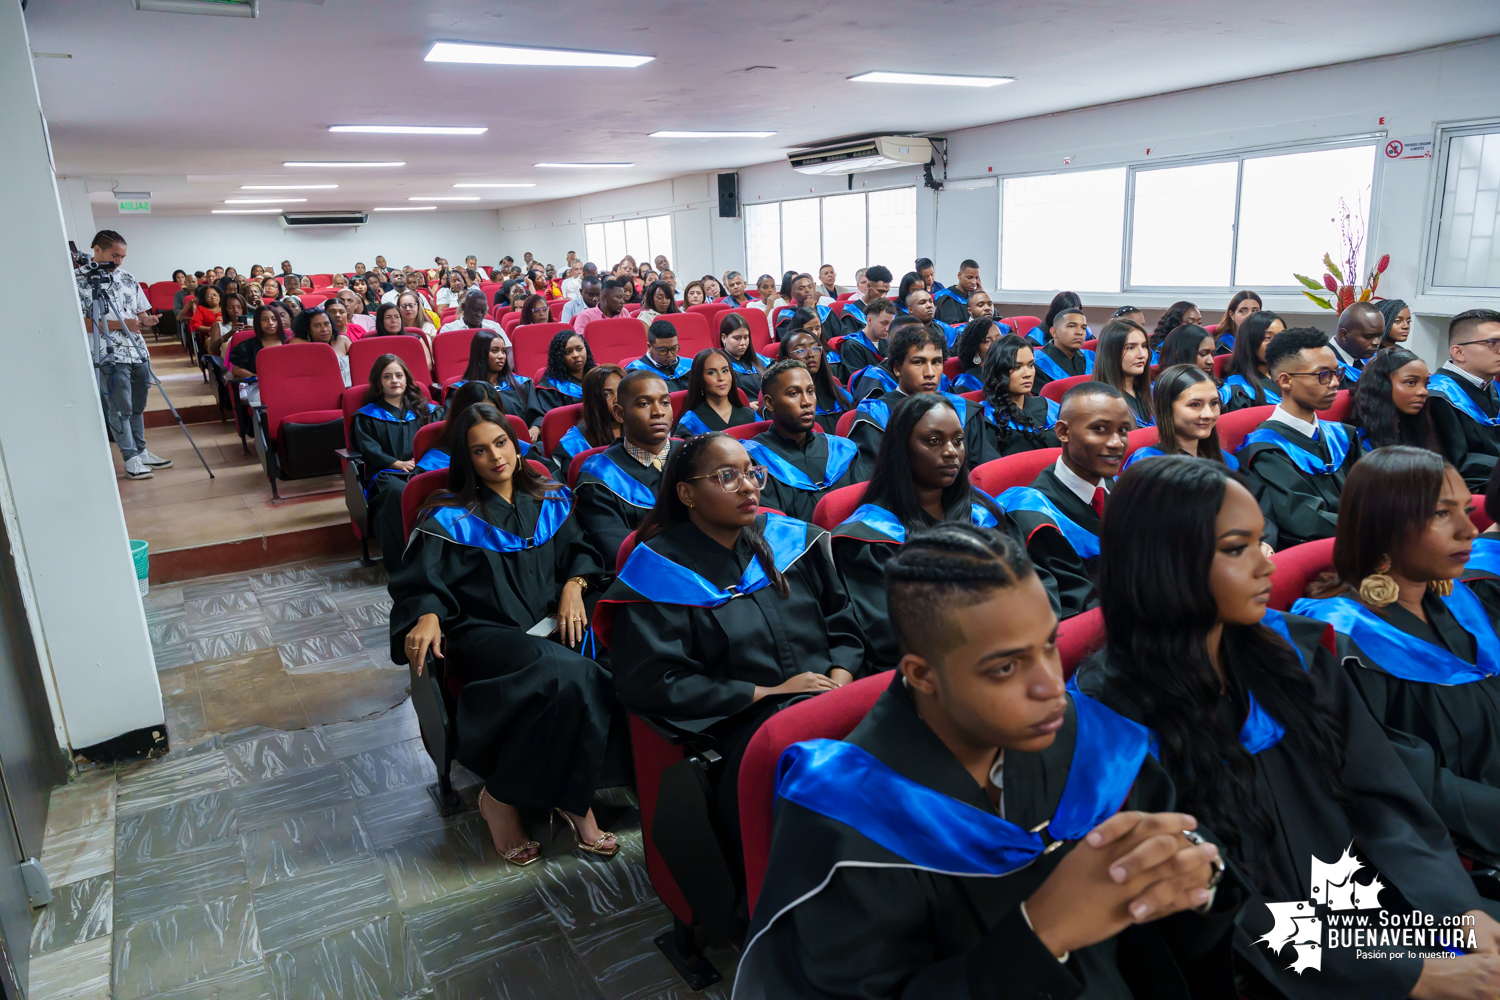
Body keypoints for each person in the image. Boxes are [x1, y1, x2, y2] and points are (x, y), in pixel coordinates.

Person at [739, 522, 1226, 1000]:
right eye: (1006, 667)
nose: (1052, 688)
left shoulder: (1090, 745)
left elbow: (1173, 937)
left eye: (1050, 646)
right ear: (922, 675)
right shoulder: (846, 819)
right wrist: (1040, 935)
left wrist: (1196, 873)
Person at [1074, 456, 1500, 1000]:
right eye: (1236, 549)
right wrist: (1409, 973)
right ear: (1164, 562)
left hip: (1365, 916)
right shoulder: (1110, 726)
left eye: (1260, 543)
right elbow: (1224, 915)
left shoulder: (1290, 656)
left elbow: (1380, 799)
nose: (1265, 566)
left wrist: (1451, 914)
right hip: (1264, 969)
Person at [599, 432, 866, 894]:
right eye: (728, 477)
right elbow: (653, 681)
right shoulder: (657, 574)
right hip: (742, 727)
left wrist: (840, 684)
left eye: (751, 472)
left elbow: (842, 620)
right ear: (686, 494)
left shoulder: (788, 543)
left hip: (832, 699)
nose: (748, 487)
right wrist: (768, 693)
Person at [391, 403, 620, 867]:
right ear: (466, 459)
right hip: (485, 634)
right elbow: (421, 582)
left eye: (501, 443)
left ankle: (539, 794)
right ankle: (542, 802)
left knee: (585, 671)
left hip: (548, 623)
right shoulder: (448, 517)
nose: (495, 457)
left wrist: (574, 586)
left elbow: (580, 552)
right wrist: (429, 614)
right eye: (480, 450)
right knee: (570, 673)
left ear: (515, 446)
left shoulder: (552, 499)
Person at [1294, 446, 1500, 868]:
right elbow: (1391, 777)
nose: (1470, 531)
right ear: (1384, 528)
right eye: (1443, 514)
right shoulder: (1344, 639)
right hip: (1448, 844)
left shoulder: (1457, 599)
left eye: (1465, 509)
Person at [832, 392, 1056, 664]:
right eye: (934, 441)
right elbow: (893, 634)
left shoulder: (983, 513)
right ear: (901, 449)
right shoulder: (870, 538)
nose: (952, 451)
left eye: (958, 440)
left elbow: (1035, 580)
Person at [1002, 382, 1131, 620]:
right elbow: (1077, 604)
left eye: (1123, 430)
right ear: (1062, 432)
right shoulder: (1036, 517)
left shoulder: (1122, 489)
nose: (1117, 442)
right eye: (1100, 429)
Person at [1238, 327, 1362, 548]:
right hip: (1323, 554)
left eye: (1337, 372)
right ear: (1285, 381)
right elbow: (1306, 518)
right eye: (1323, 374)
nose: (1334, 382)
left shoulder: (1343, 435)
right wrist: (1380, 526)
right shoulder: (1266, 450)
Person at [847, 322, 984, 481]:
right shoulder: (877, 416)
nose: (930, 373)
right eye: (918, 362)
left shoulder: (961, 409)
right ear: (897, 368)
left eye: (936, 362)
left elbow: (984, 472)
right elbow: (872, 481)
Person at [574, 370, 679, 566]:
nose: (659, 412)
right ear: (620, 413)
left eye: (665, 402)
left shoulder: (692, 457)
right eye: (644, 404)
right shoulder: (599, 477)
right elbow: (618, 551)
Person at [351, 354, 440, 571]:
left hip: (423, 469)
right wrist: (395, 463)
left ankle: (441, 556)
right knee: (396, 490)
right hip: (387, 473)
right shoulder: (367, 416)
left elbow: (439, 440)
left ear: (407, 379)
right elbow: (368, 448)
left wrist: (421, 465)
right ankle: (405, 562)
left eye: (399, 375)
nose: (394, 380)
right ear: (379, 382)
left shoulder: (427, 411)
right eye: (387, 376)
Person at [741, 361, 859, 520]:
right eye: (793, 393)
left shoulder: (842, 450)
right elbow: (773, 526)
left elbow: (868, 506)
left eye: (810, 391)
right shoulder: (754, 461)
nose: (807, 402)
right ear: (769, 403)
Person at [1428, 309, 1500, 490]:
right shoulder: (1437, 398)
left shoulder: (1493, 389)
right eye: (1493, 343)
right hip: (1466, 493)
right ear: (1458, 352)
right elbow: (1454, 463)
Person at [1123, 365, 1238, 471]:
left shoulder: (1224, 459)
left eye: (1213, 403)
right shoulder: (1150, 465)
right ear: (1166, 408)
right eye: (1195, 405)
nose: (1208, 414)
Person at [974, 333, 1059, 462]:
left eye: (1030, 365)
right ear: (998, 371)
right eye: (1017, 367)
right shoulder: (985, 420)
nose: (1027, 374)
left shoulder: (1049, 408)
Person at [1350, 346, 1440, 455]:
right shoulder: (1357, 442)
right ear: (1382, 385)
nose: (1424, 392)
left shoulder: (1416, 429)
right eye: (1411, 382)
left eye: (1426, 384)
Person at [552, 364, 625, 473]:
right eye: (607, 394)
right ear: (593, 400)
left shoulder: (638, 428)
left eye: (621, 391)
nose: (617, 400)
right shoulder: (576, 444)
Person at [777, 330, 852, 434]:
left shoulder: (841, 397)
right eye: (800, 351)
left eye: (815, 348)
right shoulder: (781, 403)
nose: (810, 354)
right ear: (786, 359)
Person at [673, 349, 756, 437]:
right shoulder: (691, 422)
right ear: (700, 379)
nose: (721, 378)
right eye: (712, 373)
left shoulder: (750, 415)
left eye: (725, 371)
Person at [526, 330, 597, 428]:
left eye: (579, 349)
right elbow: (553, 425)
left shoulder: (598, 376)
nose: (576, 355)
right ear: (559, 357)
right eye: (568, 352)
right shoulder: (550, 389)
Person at [1219, 310, 1286, 411]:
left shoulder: (1289, 377)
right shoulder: (1239, 390)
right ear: (1249, 342)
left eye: (1281, 337)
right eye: (1268, 337)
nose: (1278, 343)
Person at [1092, 318, 1154, 427]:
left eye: (1144, 346)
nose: (1142, 354)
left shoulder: (1154, 393)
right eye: (1131, 347)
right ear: (1111, 353)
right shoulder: (1099, 404)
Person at [1030, 307, 1094, 393]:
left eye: (1083, 328)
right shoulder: (1037, 363)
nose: (1080, 332)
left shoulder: (1091, 358)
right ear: (1054, 332)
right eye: (1072, 326)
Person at [290, 306, 353, 386]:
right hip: (318, 388)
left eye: (327, 324)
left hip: (351, 388)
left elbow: (360, 366)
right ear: (307, 329)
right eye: (317, 326)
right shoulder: (298, 343)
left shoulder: (343, 340)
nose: (324, 329)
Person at [836, 297, 895, 380]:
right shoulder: (852, 346)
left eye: (891, 323)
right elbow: (858, 381)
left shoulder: (888, 342)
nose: (888, 329)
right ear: (869, 320)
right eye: (884, 323)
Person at [1330, 300, 1385, 389]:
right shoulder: (1321, 365)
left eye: (1379, 335)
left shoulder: (1378, 360)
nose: (1377, 342)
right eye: (1368, 336)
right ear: (1343, 334)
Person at [626, 320, 692, 391]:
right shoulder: (636, 374)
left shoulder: (690, 366)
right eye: (663, 350)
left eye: (674, 348)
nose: (669, 355)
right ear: (649, 346)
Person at [719, 312, 771, 398]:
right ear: (724, 338)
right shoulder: (719, 363)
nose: (743, 343)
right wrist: (746, 405)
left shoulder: (758, 359)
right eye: (737, 338)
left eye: (746, 337)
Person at [229, 304, 286, 379]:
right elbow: (235, 370)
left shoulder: (290, 342)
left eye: (274, 319)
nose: (270, 323)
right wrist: (257, 378)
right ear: (257, 323)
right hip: (258, 386)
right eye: (264, 319)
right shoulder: (248, 345)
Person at [949, 316, 1005, 393]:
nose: (996, 344)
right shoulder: (966, 384)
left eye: (999, 339)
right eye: (987, 341)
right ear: (975, 349)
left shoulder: (1007, 371)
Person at [835, 264, 892, 334]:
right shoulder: (851, 313)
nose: (883, 296)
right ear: (868, 286)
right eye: (880, 291)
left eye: (886, 292)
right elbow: (851, 342)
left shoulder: (889, 309)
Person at [932, 259, 982, 326]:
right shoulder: (948, 297)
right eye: (969, 277)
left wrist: (981, 296)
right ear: (959, 275)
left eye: (976, 278)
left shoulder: (973, 296)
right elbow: (952, 328)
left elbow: (994, 318)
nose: (973, 282)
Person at [440, 288, 504, 335]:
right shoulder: (449, 330)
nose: (479, 315)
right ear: (464, 307)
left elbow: (508, 349)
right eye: (475, 310)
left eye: (483, 311)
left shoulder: (495, 328)